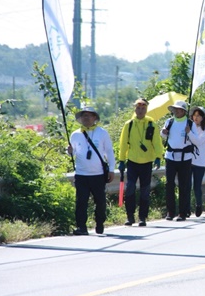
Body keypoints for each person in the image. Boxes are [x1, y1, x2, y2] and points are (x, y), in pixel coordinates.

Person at [67, 106, 115, 235]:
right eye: (84, 115)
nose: (86, 118)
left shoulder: (102, 133)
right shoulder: (75, 134)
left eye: (89, 115)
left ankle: (99, 223)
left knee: (100, 201)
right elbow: (73, 153)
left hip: (98, 174)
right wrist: (69, 152)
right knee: (81, 201)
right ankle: (81, 226)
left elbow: (109, 152)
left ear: (95, 118)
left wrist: (111, 169)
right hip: (81, 174)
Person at [118, 98, 164, 227]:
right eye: (138, 108)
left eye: (143, 108)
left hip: (147, 162)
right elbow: (123, 144)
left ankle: (142, 217)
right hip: (132, 161)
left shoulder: (151, 124)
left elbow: (157, 142)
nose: (140, 110)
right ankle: (130, 216)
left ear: (146, 109)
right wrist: (121, 160)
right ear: (135, 109)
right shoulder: (129, 124)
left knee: (145, 190)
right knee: (130, 188)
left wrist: (158, 157)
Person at [161, 100, 199, 221]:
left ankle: (182, 212)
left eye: (179, 109)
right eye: (175, 109)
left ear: (183, 111)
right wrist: (163, 132)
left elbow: (196, 140)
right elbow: (163, 134)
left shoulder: (190, 124)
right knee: (169, 185)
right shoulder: (169, 121)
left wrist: (189, 133)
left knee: (184, 185)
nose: (177, 111)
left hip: (185, 158)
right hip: (171, 156)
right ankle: (170, 211)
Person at [188, 106, 205, 217]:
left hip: (199, 162)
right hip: (188, 160)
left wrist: (189, 133)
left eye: (199, 115)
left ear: (203, 117)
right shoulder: (189, 126)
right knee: (186, 185)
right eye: (194, 115)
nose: (196, 118)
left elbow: (198, 141)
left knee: (196, 186)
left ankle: (198, 205)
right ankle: (186, 208)